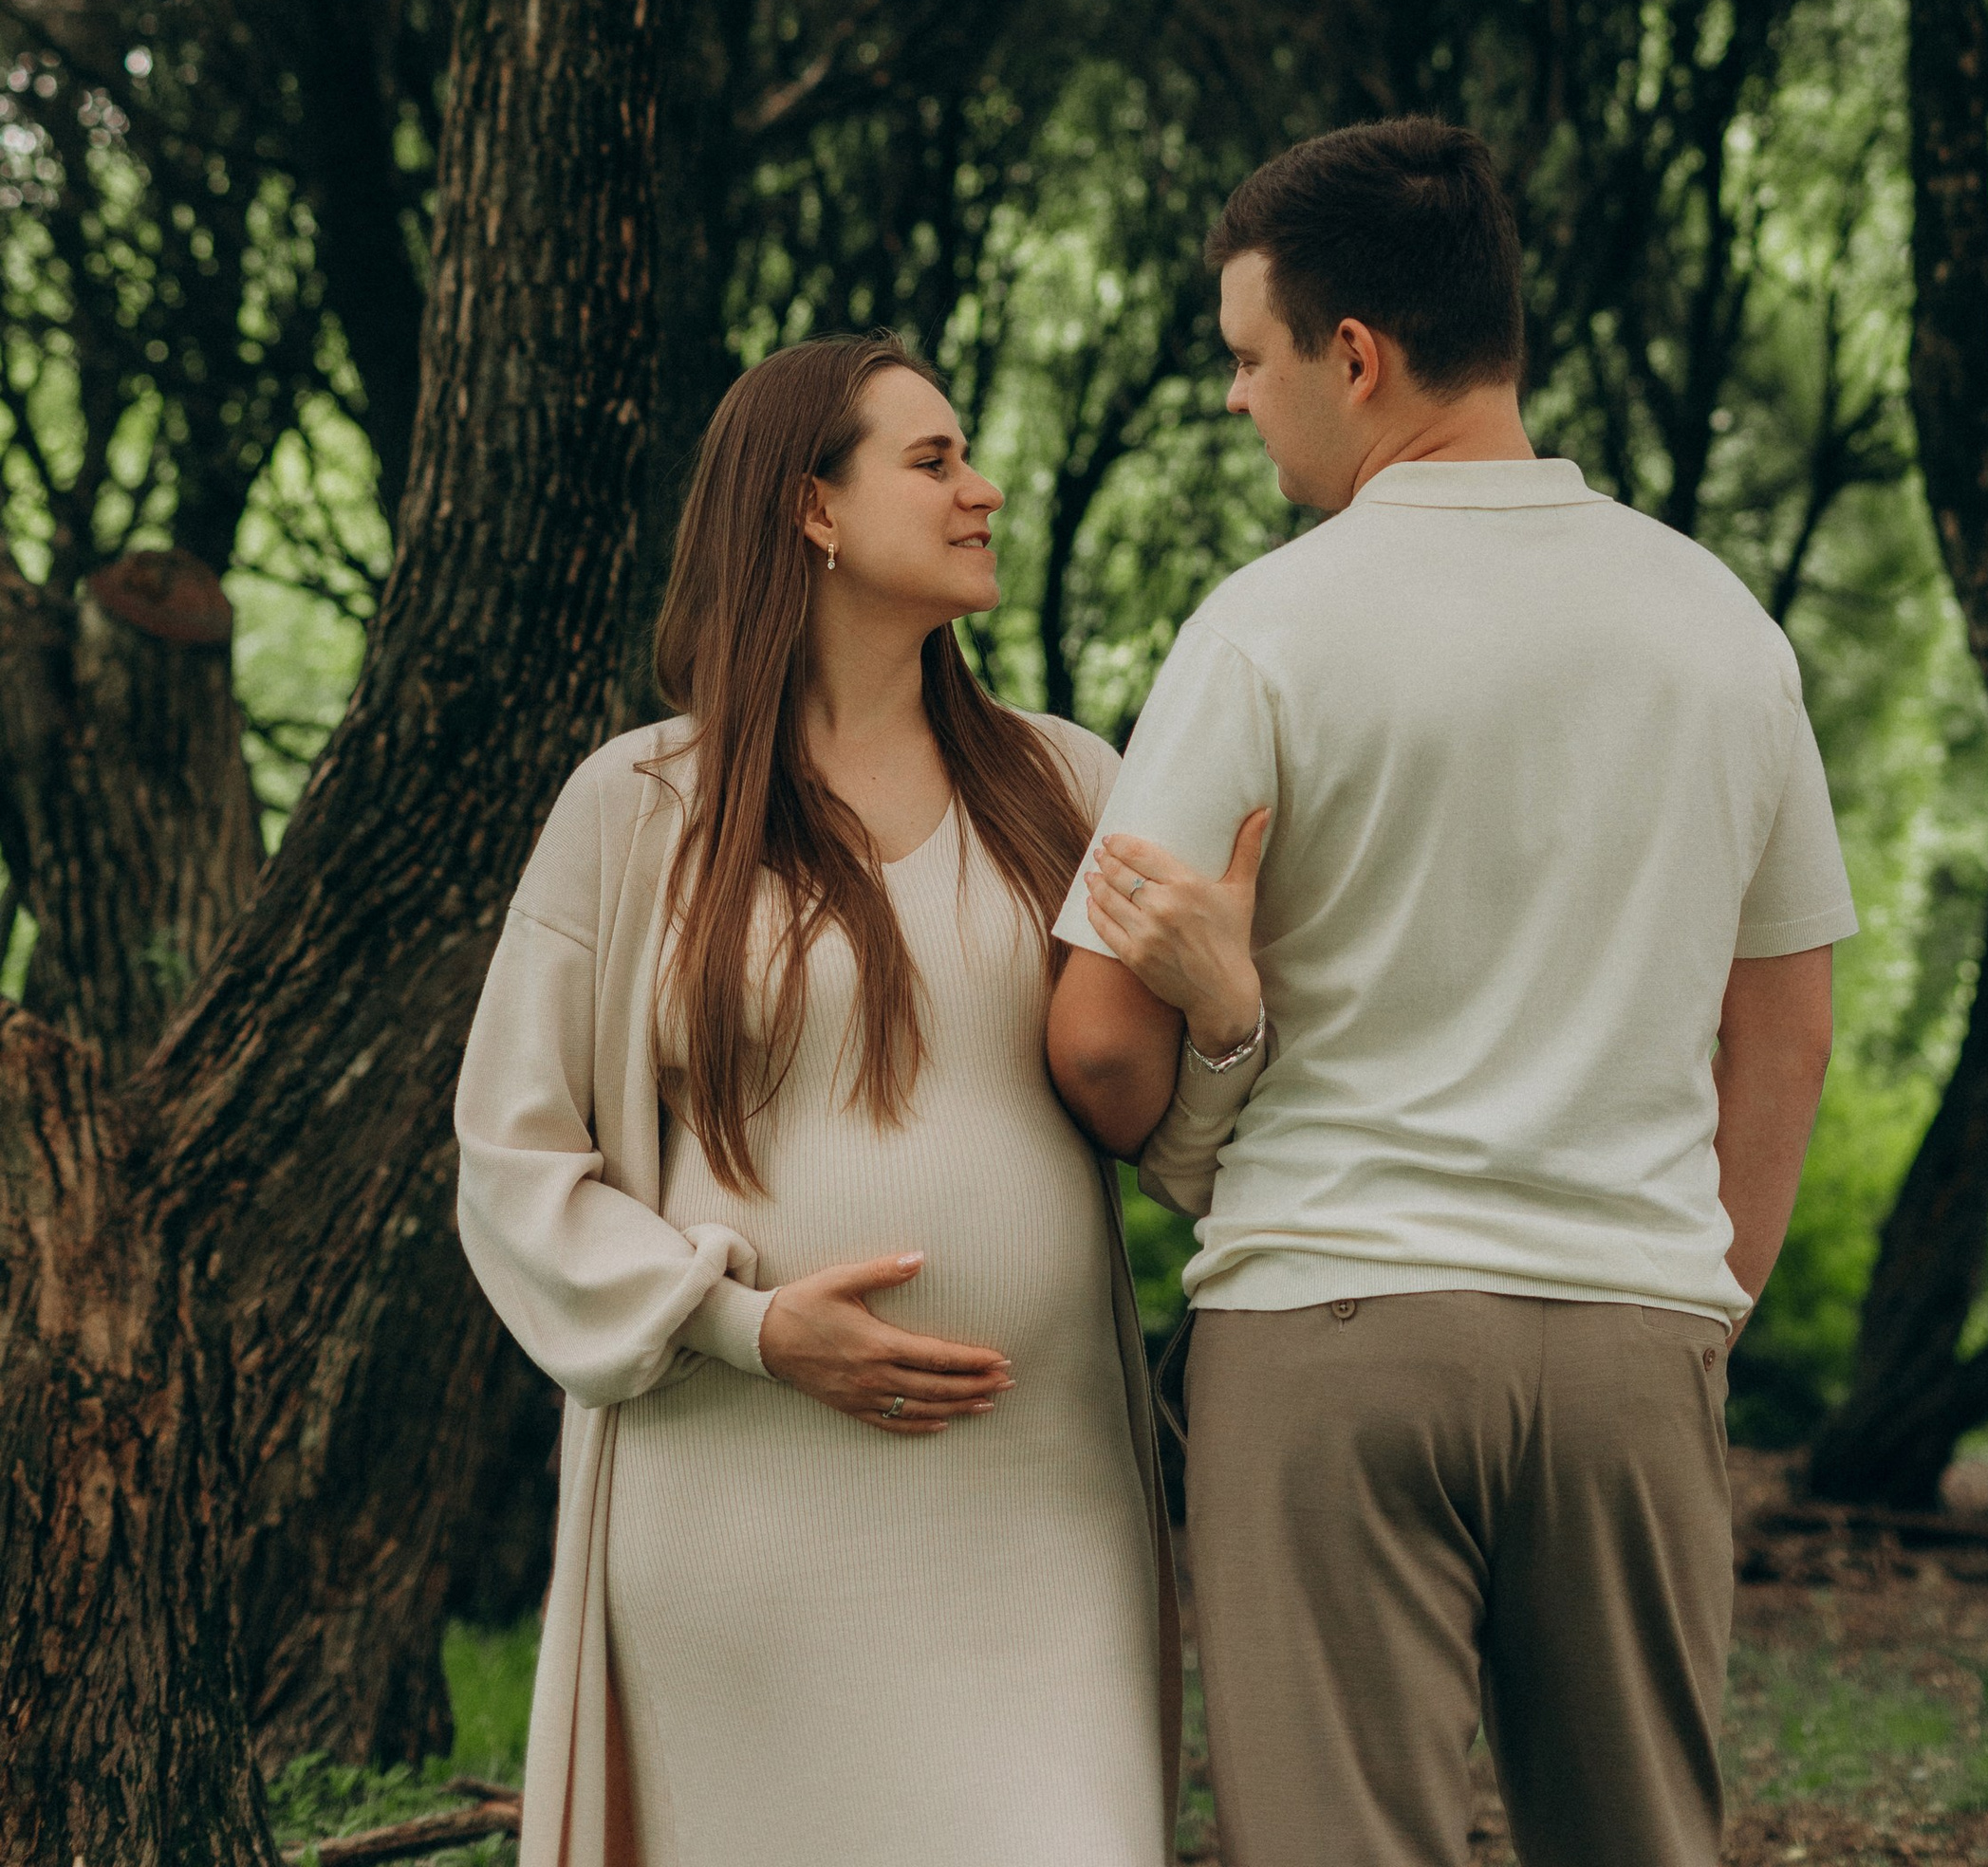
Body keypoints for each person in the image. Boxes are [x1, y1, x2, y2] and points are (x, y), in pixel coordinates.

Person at [1047, 118, 1854, 1867]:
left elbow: (1097, 1047)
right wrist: (1696, 1308)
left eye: (1252, 362)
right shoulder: (1723, 629)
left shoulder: (1265, 629)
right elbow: (1785, 1022)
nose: (1243, 402)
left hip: (1332, 1330)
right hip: (1636, 1333)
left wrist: (1216, 1038)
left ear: (1357, 353)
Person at [455, 334, 1184, 1867]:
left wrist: (1235, 1013)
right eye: (933, 461)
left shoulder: (1071, 786)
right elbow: (511, 1164)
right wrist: (755, 1325)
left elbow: (1176, 1114)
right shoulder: (638, 808)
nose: (984, 491)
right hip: (740, 1520)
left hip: (1038, 1511)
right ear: (813, 510)